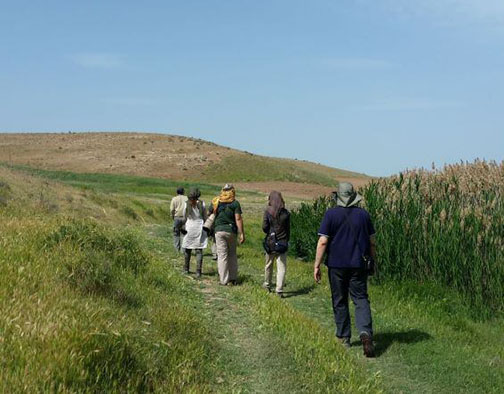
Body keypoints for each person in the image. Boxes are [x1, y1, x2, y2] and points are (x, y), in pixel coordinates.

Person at [313, 182, 377, 357]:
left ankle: (344, 337)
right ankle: (365, 333)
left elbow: (323, 241)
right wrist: (374, 261)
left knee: (340, 300)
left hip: (336, 265)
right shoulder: (364, 215)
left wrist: (317, 264)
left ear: (338, 197)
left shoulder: (331, 214)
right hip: (359, 264)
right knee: (361, 299)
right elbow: (372, 242)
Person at [212, 184, 245, 285]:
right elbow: (238, 218)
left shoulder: (216, 201)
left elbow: (211, 215)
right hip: (231, 231)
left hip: (219, 231)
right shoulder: (235, 203)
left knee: (222, 256)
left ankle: (223, 280)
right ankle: (233, 278)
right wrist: (242, 233)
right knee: (232, 255)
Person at [262, 191, 290, 298]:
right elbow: (288, 230)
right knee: (281, 267)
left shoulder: (267, 212)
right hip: (282, 243)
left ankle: (267, 284)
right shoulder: (286, 214)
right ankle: (279, 290)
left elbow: (264, 228)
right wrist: (287, 240)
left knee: (268, 264)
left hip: (270, 242)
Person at [181, 188, 207, 278]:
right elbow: (205, 216)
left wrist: (182, 227)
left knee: (187, 249)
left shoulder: (186, 204)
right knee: (199, 250)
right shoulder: (202, 203)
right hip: (199, 226)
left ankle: (186, 269)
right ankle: (198, 271)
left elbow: (184, 217)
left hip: (189, 226)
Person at [170, 187, 187, 253]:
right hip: (185, 217)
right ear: (183, 192)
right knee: (184, 234)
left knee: (176, 234)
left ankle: (177, 250)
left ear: (177, 192)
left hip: (177, 217)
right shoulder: (187, 198)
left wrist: (172, 216)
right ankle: (183, 250)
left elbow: (172, 209)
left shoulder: (174, 199)